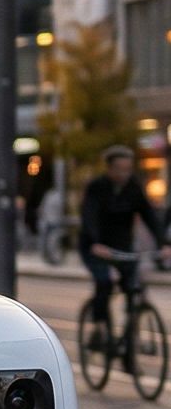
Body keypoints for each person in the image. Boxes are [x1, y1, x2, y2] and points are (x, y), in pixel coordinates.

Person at [81, 145, 171, 347]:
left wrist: (163, 244)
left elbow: (149, 215)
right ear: (110, 169)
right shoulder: (97, 187)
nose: (124, 174)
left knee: (132, 286)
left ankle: (130, 343)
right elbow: (90, 215)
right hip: (96, 246)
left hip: (123, 246)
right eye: (120, 169)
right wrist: (95, 242)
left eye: (128, 169)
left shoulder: (133, 187)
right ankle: (99, 328)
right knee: (104, 282)